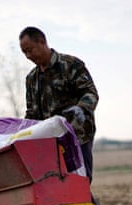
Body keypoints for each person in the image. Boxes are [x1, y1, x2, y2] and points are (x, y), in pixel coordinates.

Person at [19, 26, 99, 182]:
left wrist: (81, 108)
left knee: (79, 183)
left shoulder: (71, 65)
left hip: (76, 137)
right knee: (54, 185)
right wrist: (23, 133)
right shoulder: (31, 79)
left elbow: (90, 93)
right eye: (24, 52)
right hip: (48, 142)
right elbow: (31, 113)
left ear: (42, 42)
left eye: (30, 50)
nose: (28, 56)